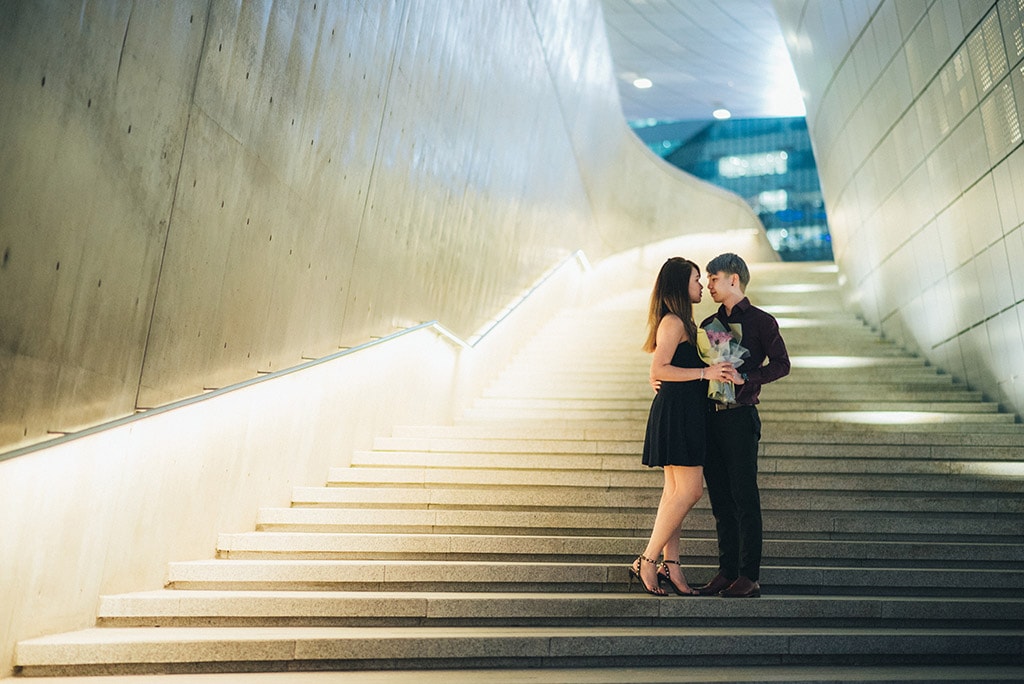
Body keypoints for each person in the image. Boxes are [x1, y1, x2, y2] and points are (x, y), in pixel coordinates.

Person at [629, 257, 735, 596]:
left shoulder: (684, 324)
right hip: (678, 414)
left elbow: (660, 367)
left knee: (675, 493)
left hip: (685, 412)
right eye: (695, 280)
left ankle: (670, 565)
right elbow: (660, 368)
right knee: (690, 491)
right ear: (679, 285)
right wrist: (706, 373)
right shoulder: (673, 322)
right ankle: (646, 559)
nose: (701, 285)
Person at [697, 253, 790, 598]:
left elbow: (782, 364)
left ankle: (749, 576)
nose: (709, 286)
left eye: (714, 279)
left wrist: (747, 376)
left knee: (744, 497)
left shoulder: (763, 322)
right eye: (706, 280)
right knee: (721, 499)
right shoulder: (709, 324)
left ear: (734, 279)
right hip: (712, 417)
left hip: (741, 417)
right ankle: (727, 571)